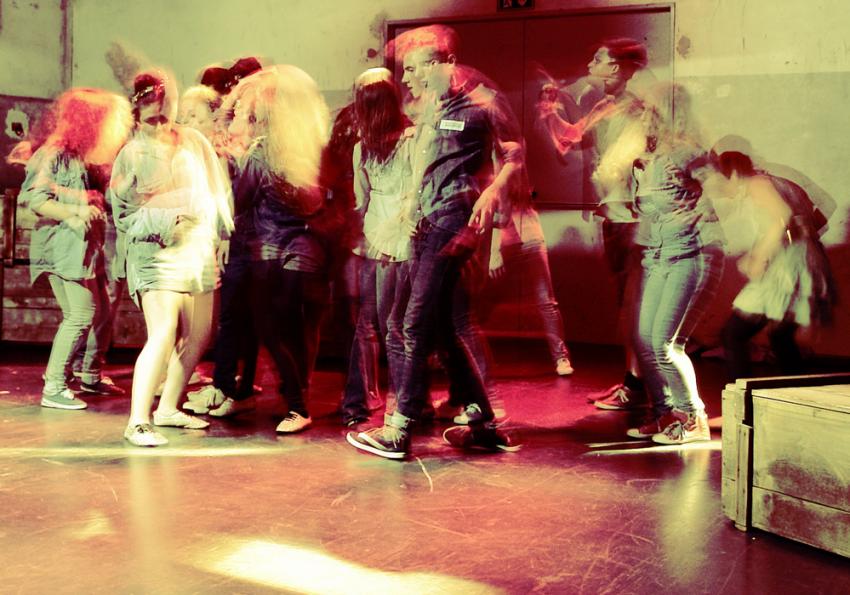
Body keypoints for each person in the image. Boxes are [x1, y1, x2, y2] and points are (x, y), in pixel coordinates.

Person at [347, 25, 522, 459]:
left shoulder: (480, 104)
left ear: (442, 64)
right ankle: (484, 424)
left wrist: (492, 192)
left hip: (451, 220)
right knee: (443, 326)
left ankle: (398, 430)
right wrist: (411, 213)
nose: (405, 79)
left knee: (412, 322)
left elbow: (514, 154)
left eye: (413, 69)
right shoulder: (431, 107)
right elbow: (424, 168)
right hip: (428, 221)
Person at [111, 69, 233, 446]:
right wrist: (168, 222)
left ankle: (167, 408)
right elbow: (124, 216)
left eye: (165, 115)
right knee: (163, 331)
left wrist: (218, 233)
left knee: (200, 334)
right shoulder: (131, 155)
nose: (161, 124)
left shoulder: (193, 142)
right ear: (137, 116)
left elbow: (217, 190)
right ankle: (138, 421)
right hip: (154, 252)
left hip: (196, 250)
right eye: (152, 118)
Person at [537, 38, 650, 409]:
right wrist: (549, 110)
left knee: (634, 306)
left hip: (633, 219)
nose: (590, 63)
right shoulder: (605, 104)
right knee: (625, 304)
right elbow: (566, 141)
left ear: (614, 67)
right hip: (614, 217)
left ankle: (639, 386)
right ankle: (632, 383)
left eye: (597, 58)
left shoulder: (636, 110)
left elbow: (627, 162)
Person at [225, 66, 331, 433]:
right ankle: (297, 399)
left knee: (269, 330)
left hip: (269, 251)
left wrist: (234, 165)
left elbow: (239, 201)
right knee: (293, 331)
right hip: (305, 251)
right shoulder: (306, 146)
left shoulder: (260, 153)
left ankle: (297, 406)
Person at [17, 88, 132, 410]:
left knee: (101, 312)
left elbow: (69, 192)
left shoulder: (79, 157)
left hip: (84, 248)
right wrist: (74, 211)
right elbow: (34, 198)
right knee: (80, 315)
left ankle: (86, 375)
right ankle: (54, 386)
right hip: (63, 248)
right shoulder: (53, 153)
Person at [623, 85, 721, 445]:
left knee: (666, 344)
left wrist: (697, 211)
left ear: (665, 113)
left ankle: (693, 418)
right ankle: (666, 414)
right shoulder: (648, 159)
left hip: (690, 254)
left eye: (649, 109)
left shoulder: (687, 153)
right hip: (658, 256)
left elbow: (723, 190)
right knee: (645, 342)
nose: (642, 116)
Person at [713, 151, 836, 381]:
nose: (719, 189)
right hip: (803, 260)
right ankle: (797, 392)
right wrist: (804, 241)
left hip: (789, 265)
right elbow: (818, 213)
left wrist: (759, 256)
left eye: (721, 181)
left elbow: (782, 216)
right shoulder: (778, 182)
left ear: (734, 174)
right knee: (781, 336)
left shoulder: (757, 184)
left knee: (733, 334)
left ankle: (742, 396)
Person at [340, 68, 415, 431]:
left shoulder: (376, 146)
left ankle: (383, 404)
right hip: (391, 241)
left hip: (389, 240)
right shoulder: (401, 143)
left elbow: (362, 199)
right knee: (389, 325)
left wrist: (362, 240)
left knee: (384, 326)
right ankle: (395, 402)